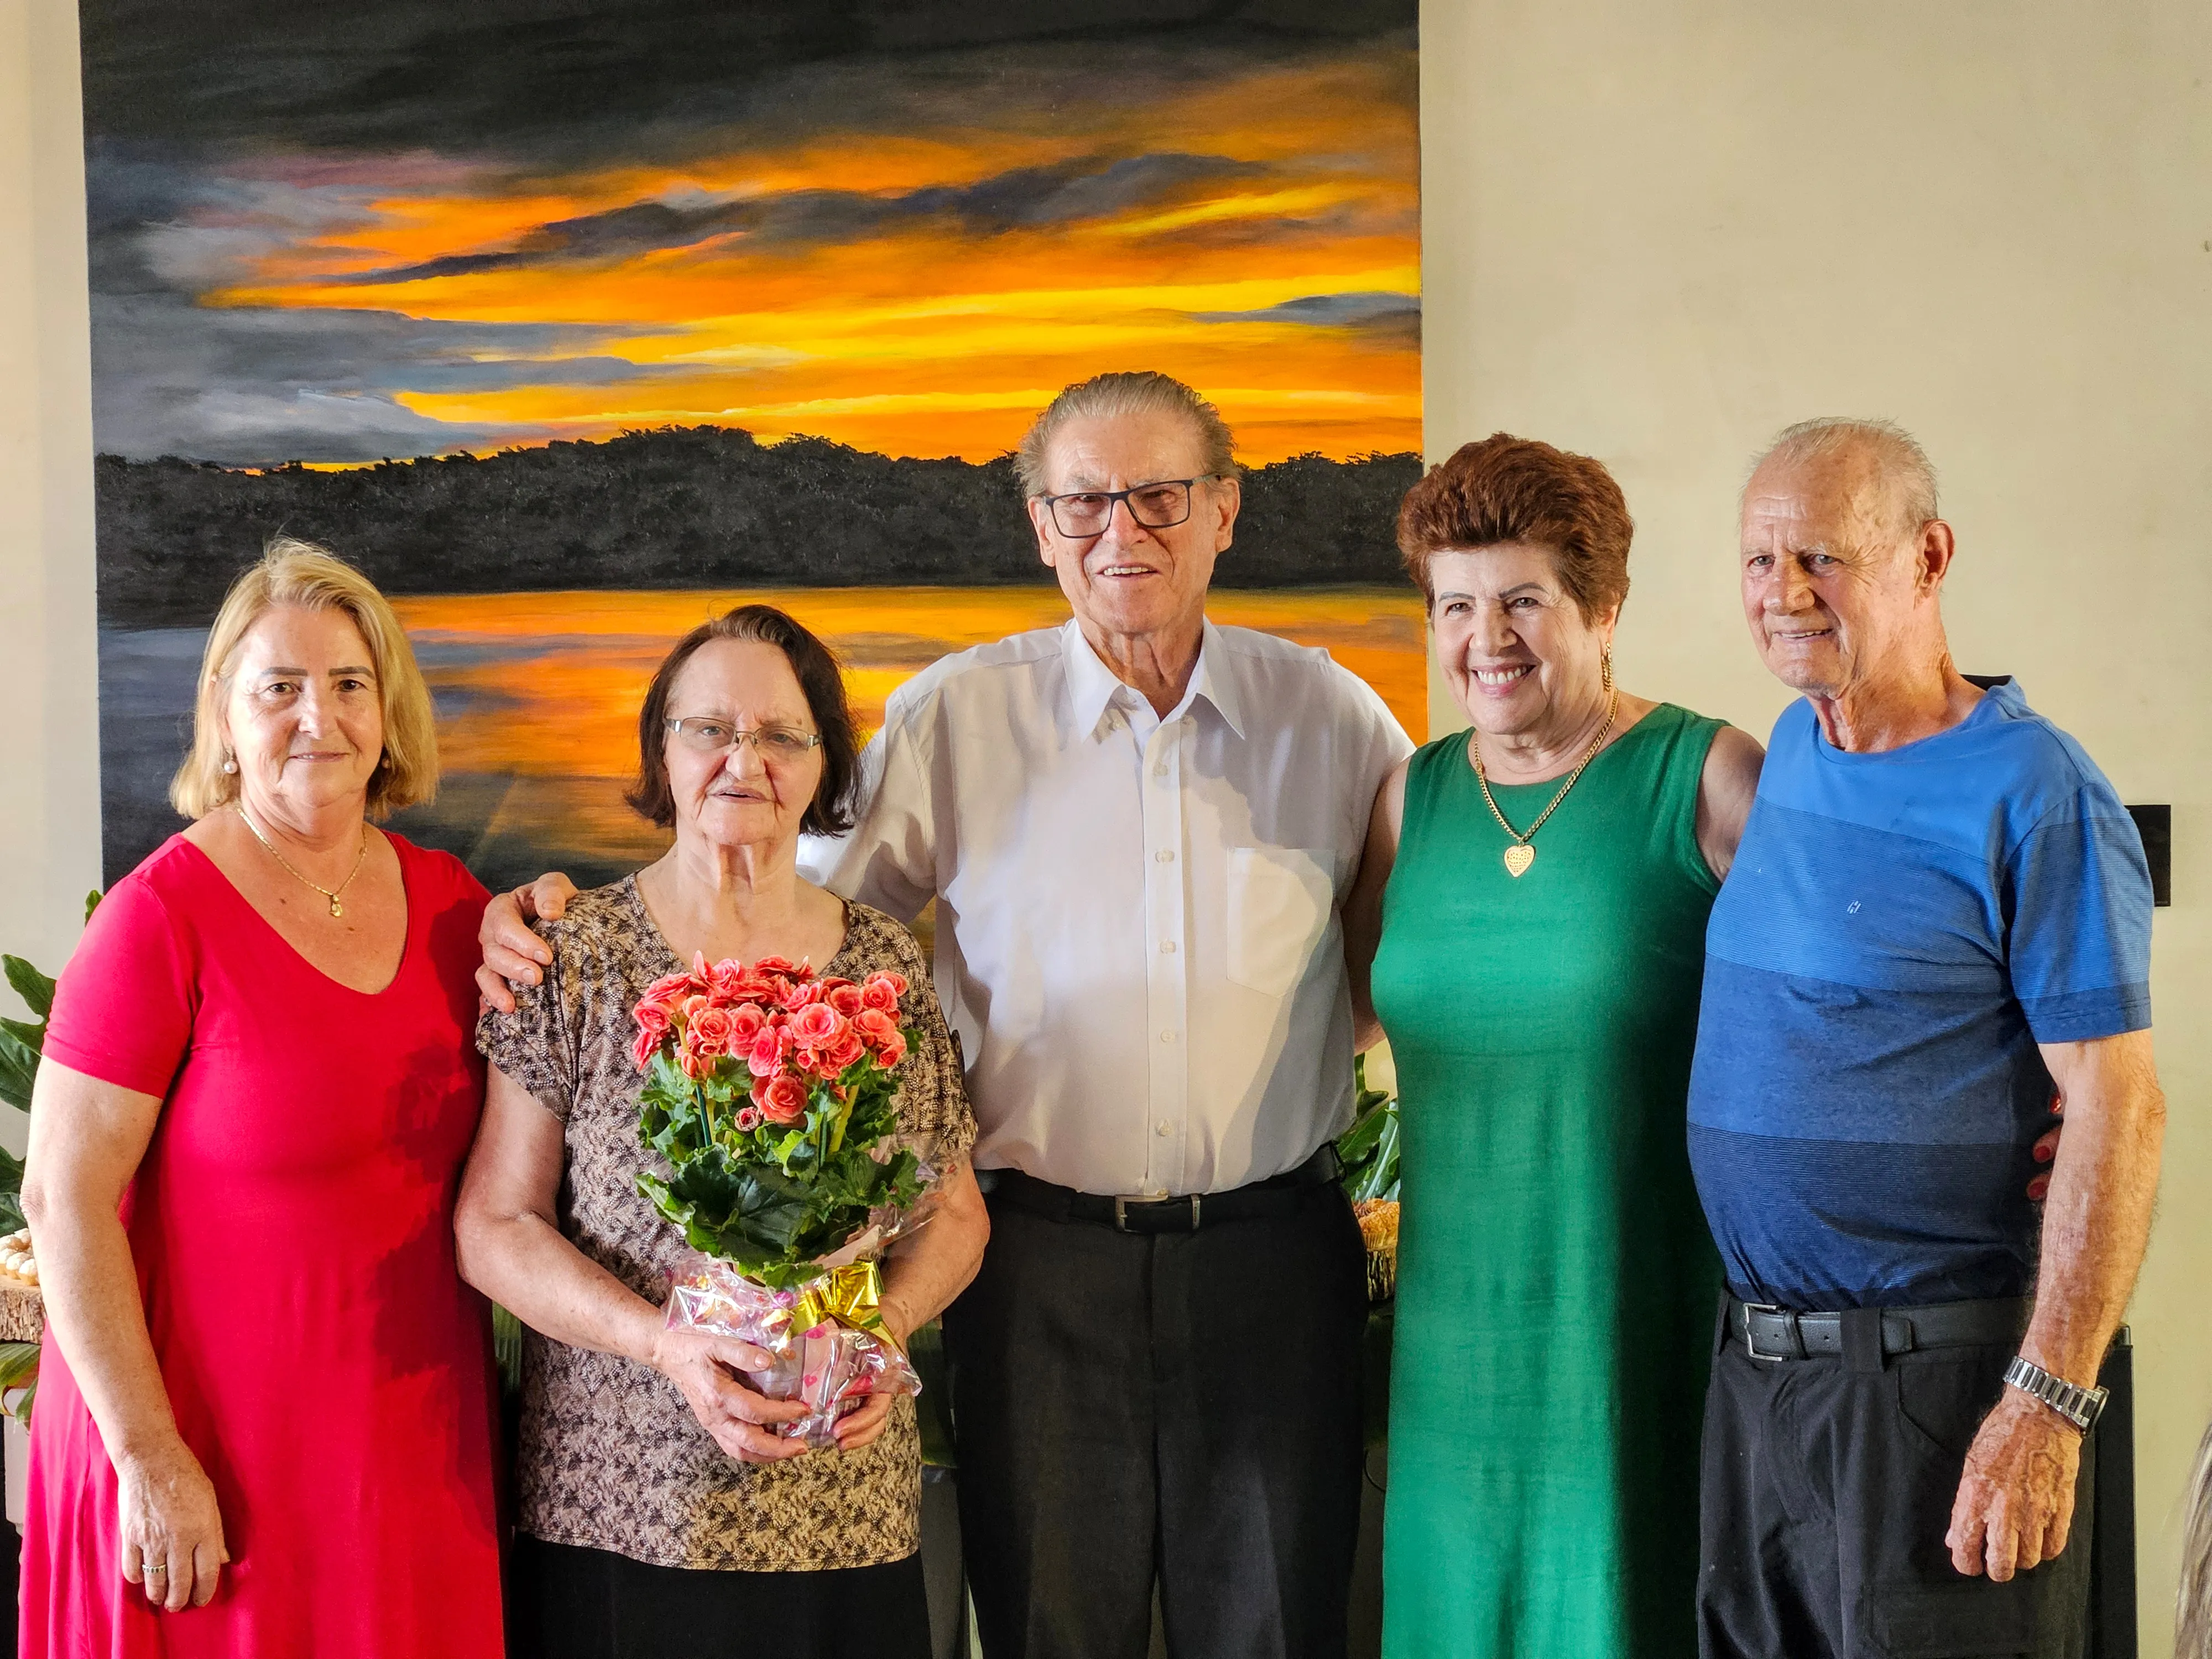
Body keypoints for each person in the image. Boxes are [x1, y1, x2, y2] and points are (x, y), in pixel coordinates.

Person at [481, 371, 1412, 1657]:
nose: (1120, 532)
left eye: (1157, 496)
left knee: (1275, 1626)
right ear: (1040, 528)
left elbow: (1396, 960)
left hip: (1270, 1259)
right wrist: (548, 911)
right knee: (1046, 1628)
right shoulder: (954, 717)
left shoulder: (1333, 718)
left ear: (1223, 511)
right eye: (1082, 502)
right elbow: (786, 934)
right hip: (1037, 1265)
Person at [1691, 419, 2164, 1658]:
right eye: (1758, 560)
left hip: (1940, 1391)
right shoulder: (1792, 750)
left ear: (1929, 557)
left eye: (1821, 558)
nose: (1782, 593)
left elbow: (2118, 1105)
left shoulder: (2037, 790)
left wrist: (2046, 1402)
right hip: (1761, 1384)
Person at [456, 603, 989, 1659]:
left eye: (782, 735)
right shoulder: (575, 955)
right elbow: (495, 1225)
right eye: (709, 730)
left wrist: (884, 1332)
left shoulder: (884, 964)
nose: (744, 761)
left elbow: (956, 1215)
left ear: (825, 764)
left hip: (842, 1509)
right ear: (663, 751)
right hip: (623, 1506)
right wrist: (664, 1345)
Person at [18, 541, 503, 1657]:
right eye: (279, 687)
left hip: (406, 1445)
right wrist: (150, 1458)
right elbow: (61, 1199)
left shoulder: (455, 907)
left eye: (348, 683)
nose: (317, 717)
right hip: (204, 1458)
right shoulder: (157, 918)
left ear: (388, 712)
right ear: (224, 719)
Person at [1339, 435, 1765, 1658]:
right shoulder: (1409, 800)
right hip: (1451, 1352)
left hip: (1635, 1328)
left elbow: (1846, 1004)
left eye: (1523, 600)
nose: (1488, 638)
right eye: (1455, 606)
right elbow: (1346, 1014)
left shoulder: (1707, 779)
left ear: (1604, 606)